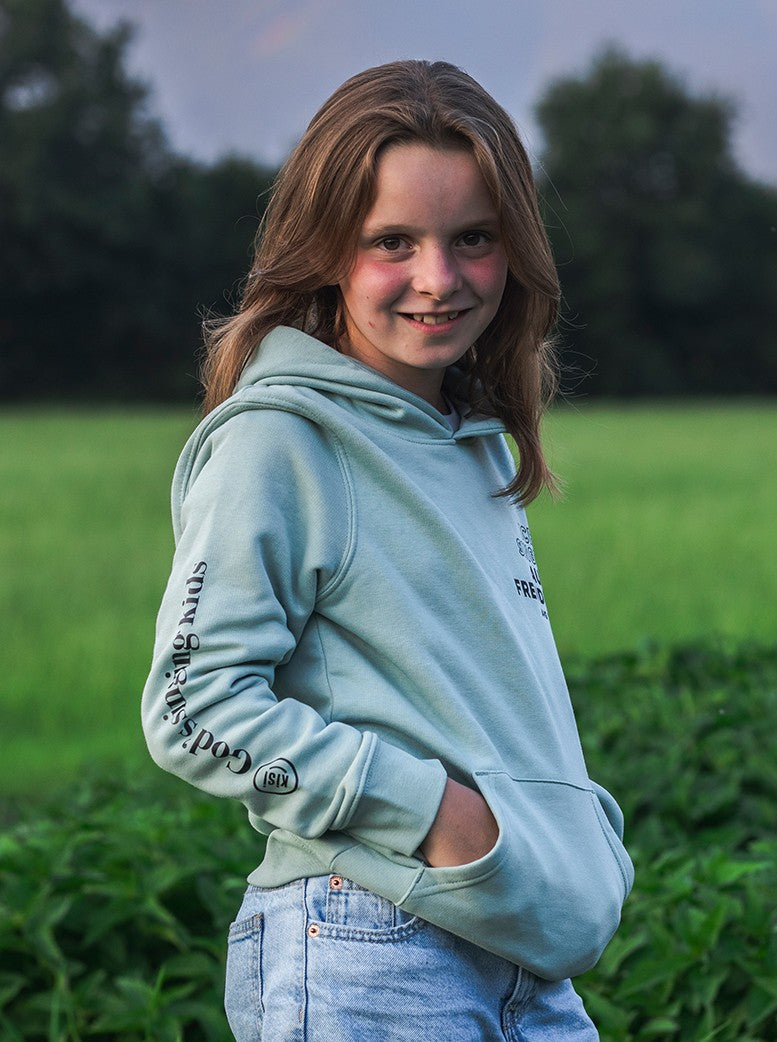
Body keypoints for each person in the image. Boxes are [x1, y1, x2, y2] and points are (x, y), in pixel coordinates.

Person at [141, 59, 633, 1041]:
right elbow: (190, 707)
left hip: (516, 952)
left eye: (473, 240)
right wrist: (438, 814)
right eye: (391, 241)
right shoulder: (282, 440)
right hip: (372, 941)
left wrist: (575, 832)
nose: (437, 279)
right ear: (325, 250)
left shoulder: (471, 442)